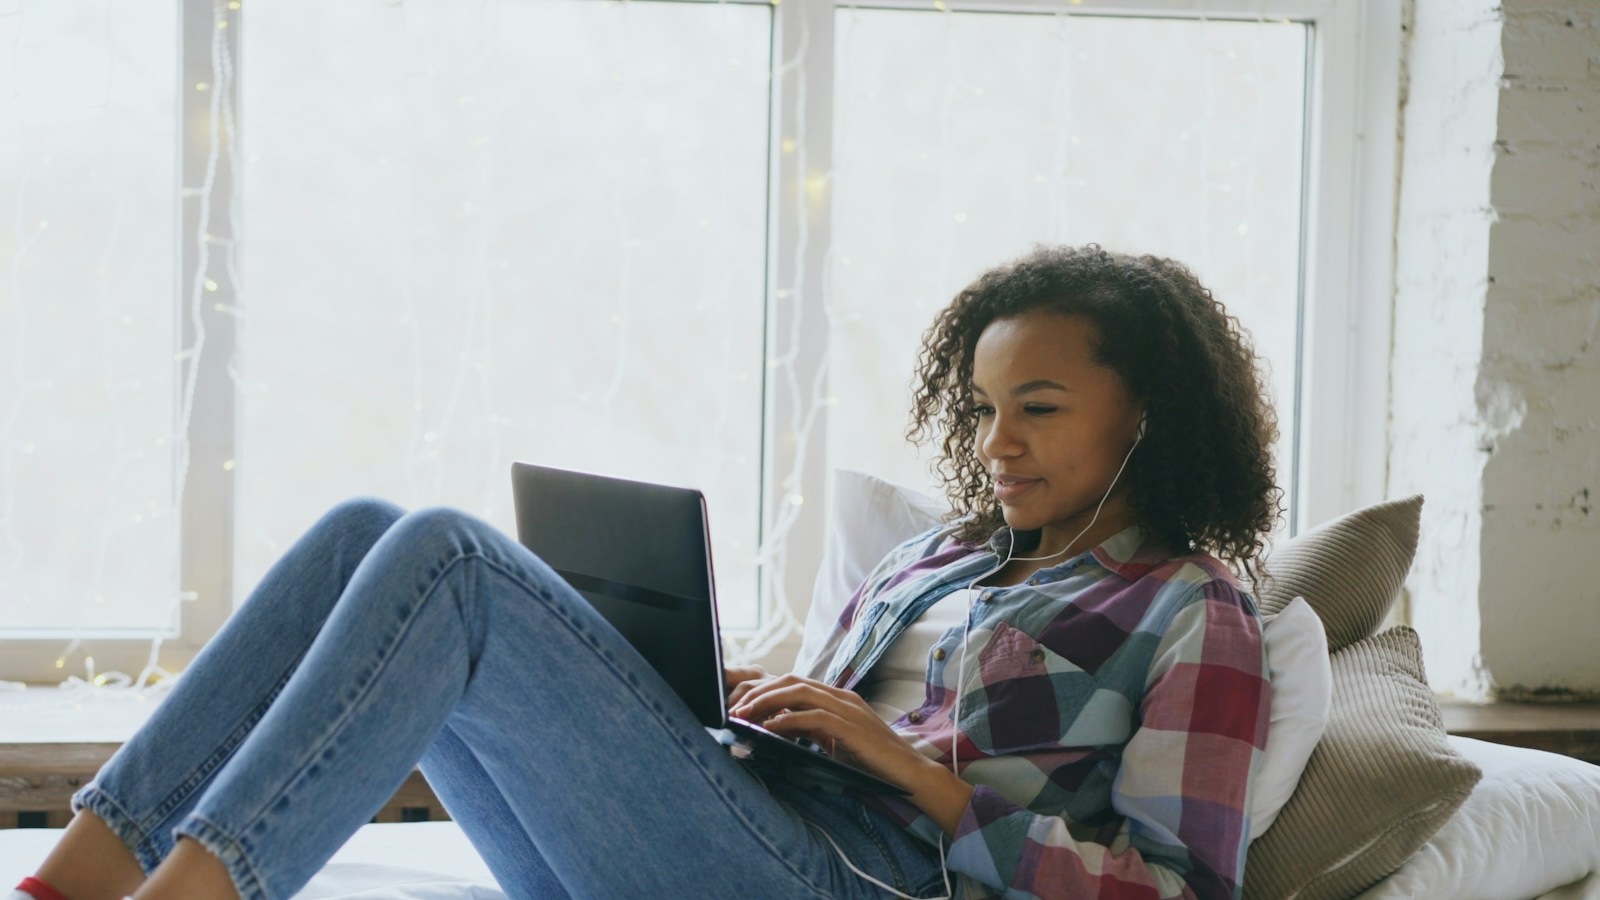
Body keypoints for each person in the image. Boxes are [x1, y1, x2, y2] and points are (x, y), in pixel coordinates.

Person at [14, 243, 1280, 900]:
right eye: (986, 407)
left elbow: (1173, 893)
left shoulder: (1189, 613)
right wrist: (717, 703)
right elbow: (824, 738)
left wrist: (918, 779)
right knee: (364, 528)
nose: (996, 443)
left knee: (450, 560)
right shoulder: (938, 556)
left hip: (863, 881)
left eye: (1039, 409)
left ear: (1150, 416)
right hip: (747, 833)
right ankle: (71, 882)